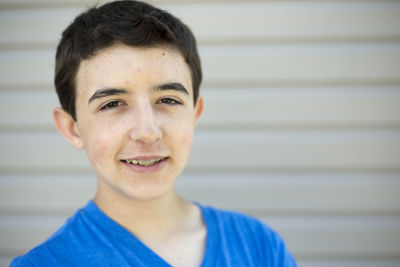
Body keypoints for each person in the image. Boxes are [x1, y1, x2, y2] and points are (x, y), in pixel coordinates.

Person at [10, 1, 297, 266]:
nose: (147, 132)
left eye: (168, 100)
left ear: (194, 114)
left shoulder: (259, 247)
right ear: (73, 129)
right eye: (112, 104)